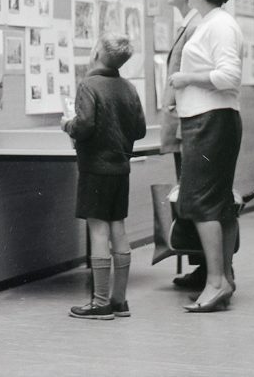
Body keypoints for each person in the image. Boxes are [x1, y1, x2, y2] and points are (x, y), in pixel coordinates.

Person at [169, 0, 244, 313]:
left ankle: (215, 281)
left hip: (210, 121)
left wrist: (186, 79)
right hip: (208, 120)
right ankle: (222, 277)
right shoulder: (211, 23)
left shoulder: (220, 26)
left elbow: (229, 76)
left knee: (201, 204)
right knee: (218, 204)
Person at [61, 33, 147, 320]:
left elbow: (84, 125)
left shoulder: (88, 85)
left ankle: (100, 303)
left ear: (96, 52)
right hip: (120, 169)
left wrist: (68, 125)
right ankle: (119, 301)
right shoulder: (129, 88)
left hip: (95, 169)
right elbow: (140, 131)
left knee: (98, 229)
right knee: (118, 228)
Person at [158, 0, 206, 289]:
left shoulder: (196, 26)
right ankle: (201, 266)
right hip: (182, 122)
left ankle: (206, 267)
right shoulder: (187, 24)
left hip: (189, 123)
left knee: (195, 194)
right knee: (189, 194)